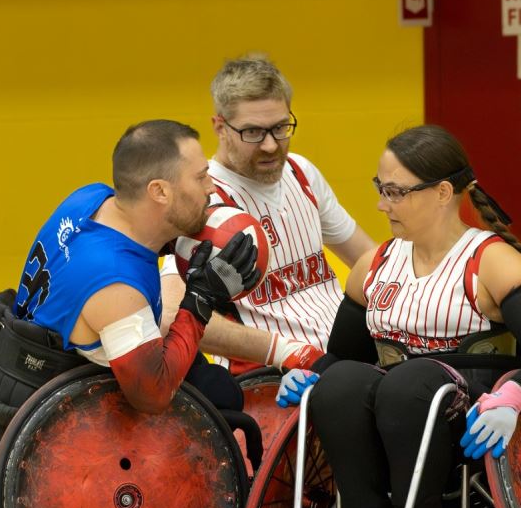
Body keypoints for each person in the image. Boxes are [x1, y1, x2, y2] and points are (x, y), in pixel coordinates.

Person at [275, 124, 521, 508]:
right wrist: (312, 376)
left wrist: (515, 395)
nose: (382, 204)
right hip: (392, 414)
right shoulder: (374, 265)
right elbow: (345, 357)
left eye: (396, 192)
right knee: (340, 384)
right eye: (381, 189)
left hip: (467, 425)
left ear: (441, 193)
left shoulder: (490, 261)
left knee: (408, 383)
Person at [10, 119, 260, 416]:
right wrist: (200, 300)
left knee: (213, 381)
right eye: (201, 177)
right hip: (80, 413)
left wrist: (176, 241)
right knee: (225, 400)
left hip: (28, 359)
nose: (211, 187)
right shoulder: (116, 286)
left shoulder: (89, 198)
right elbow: (153, 394)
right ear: (160, 192)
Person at [160, 56, 375, 373]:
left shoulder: (302, 172)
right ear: (220, 127)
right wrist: (288, 352)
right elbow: (172, 313)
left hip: (346, 358)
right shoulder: (204, 200)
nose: (272, 145)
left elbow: (373, 265)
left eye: (280, 128)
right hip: (269, 377)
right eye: (253, 132)